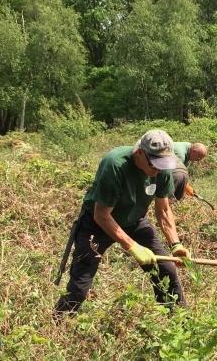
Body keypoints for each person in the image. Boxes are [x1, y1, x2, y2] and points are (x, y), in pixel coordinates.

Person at [54, 129, 192, 317]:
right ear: (139, 153)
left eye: (163, 164)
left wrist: (175, 244)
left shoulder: (163, 169)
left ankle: (178, 322)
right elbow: (101, 215)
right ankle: (59, 321)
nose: (158, 169)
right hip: (96, 224)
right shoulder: (115, 164)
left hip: (135, 220)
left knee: (166, 271)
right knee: (80, 284)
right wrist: (132, 246)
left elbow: (164, 209)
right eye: (154, 164)